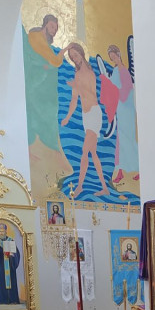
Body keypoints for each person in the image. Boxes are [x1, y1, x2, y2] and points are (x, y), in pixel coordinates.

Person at [60, 43, 110, 198]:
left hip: (94, 113)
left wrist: (77, 85)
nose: (75, 58)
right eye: (72, 57)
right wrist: (67, 117)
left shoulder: (89, 71)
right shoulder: (77, 75)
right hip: (85, 116)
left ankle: (80, 186)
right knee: (93, 153)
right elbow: (74, 100)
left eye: (76, 55)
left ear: (81, 53)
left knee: (84, 151)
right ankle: (104, 188)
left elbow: (91, 93)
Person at [24, 14, 69, 153]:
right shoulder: (36, 37)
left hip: (38, 78)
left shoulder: (42, 40)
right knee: (47, 105)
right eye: (52, 26)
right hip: (34, 79)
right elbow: (55, 61)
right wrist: (63, 52)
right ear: (45, 24)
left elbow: (49, 62)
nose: (54, 30)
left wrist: (47, 65)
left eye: (56, 29)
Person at [105, 43, 140, 184]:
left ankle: (139, 168)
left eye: (114, 56)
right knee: (120, 141)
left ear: (118, 54)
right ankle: (120, 171)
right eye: (111, 57)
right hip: (120, 108)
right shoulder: (115, 71)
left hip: (127, 109)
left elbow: (127, 90)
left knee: (129, 139)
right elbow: (112, 87)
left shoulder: (124, 71)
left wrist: (117, 93)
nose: (113, 58)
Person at [0, 222, 21, 304]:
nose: (1, 233)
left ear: (6, 231)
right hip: (1, 266)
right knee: (2, 282)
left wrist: (12, 255)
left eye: (3, 231)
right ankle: (3, 300)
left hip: (10, 265)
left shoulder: (10, 240)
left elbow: (16, 253)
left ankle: (13, 299)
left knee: (12, 282)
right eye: (0, 231)